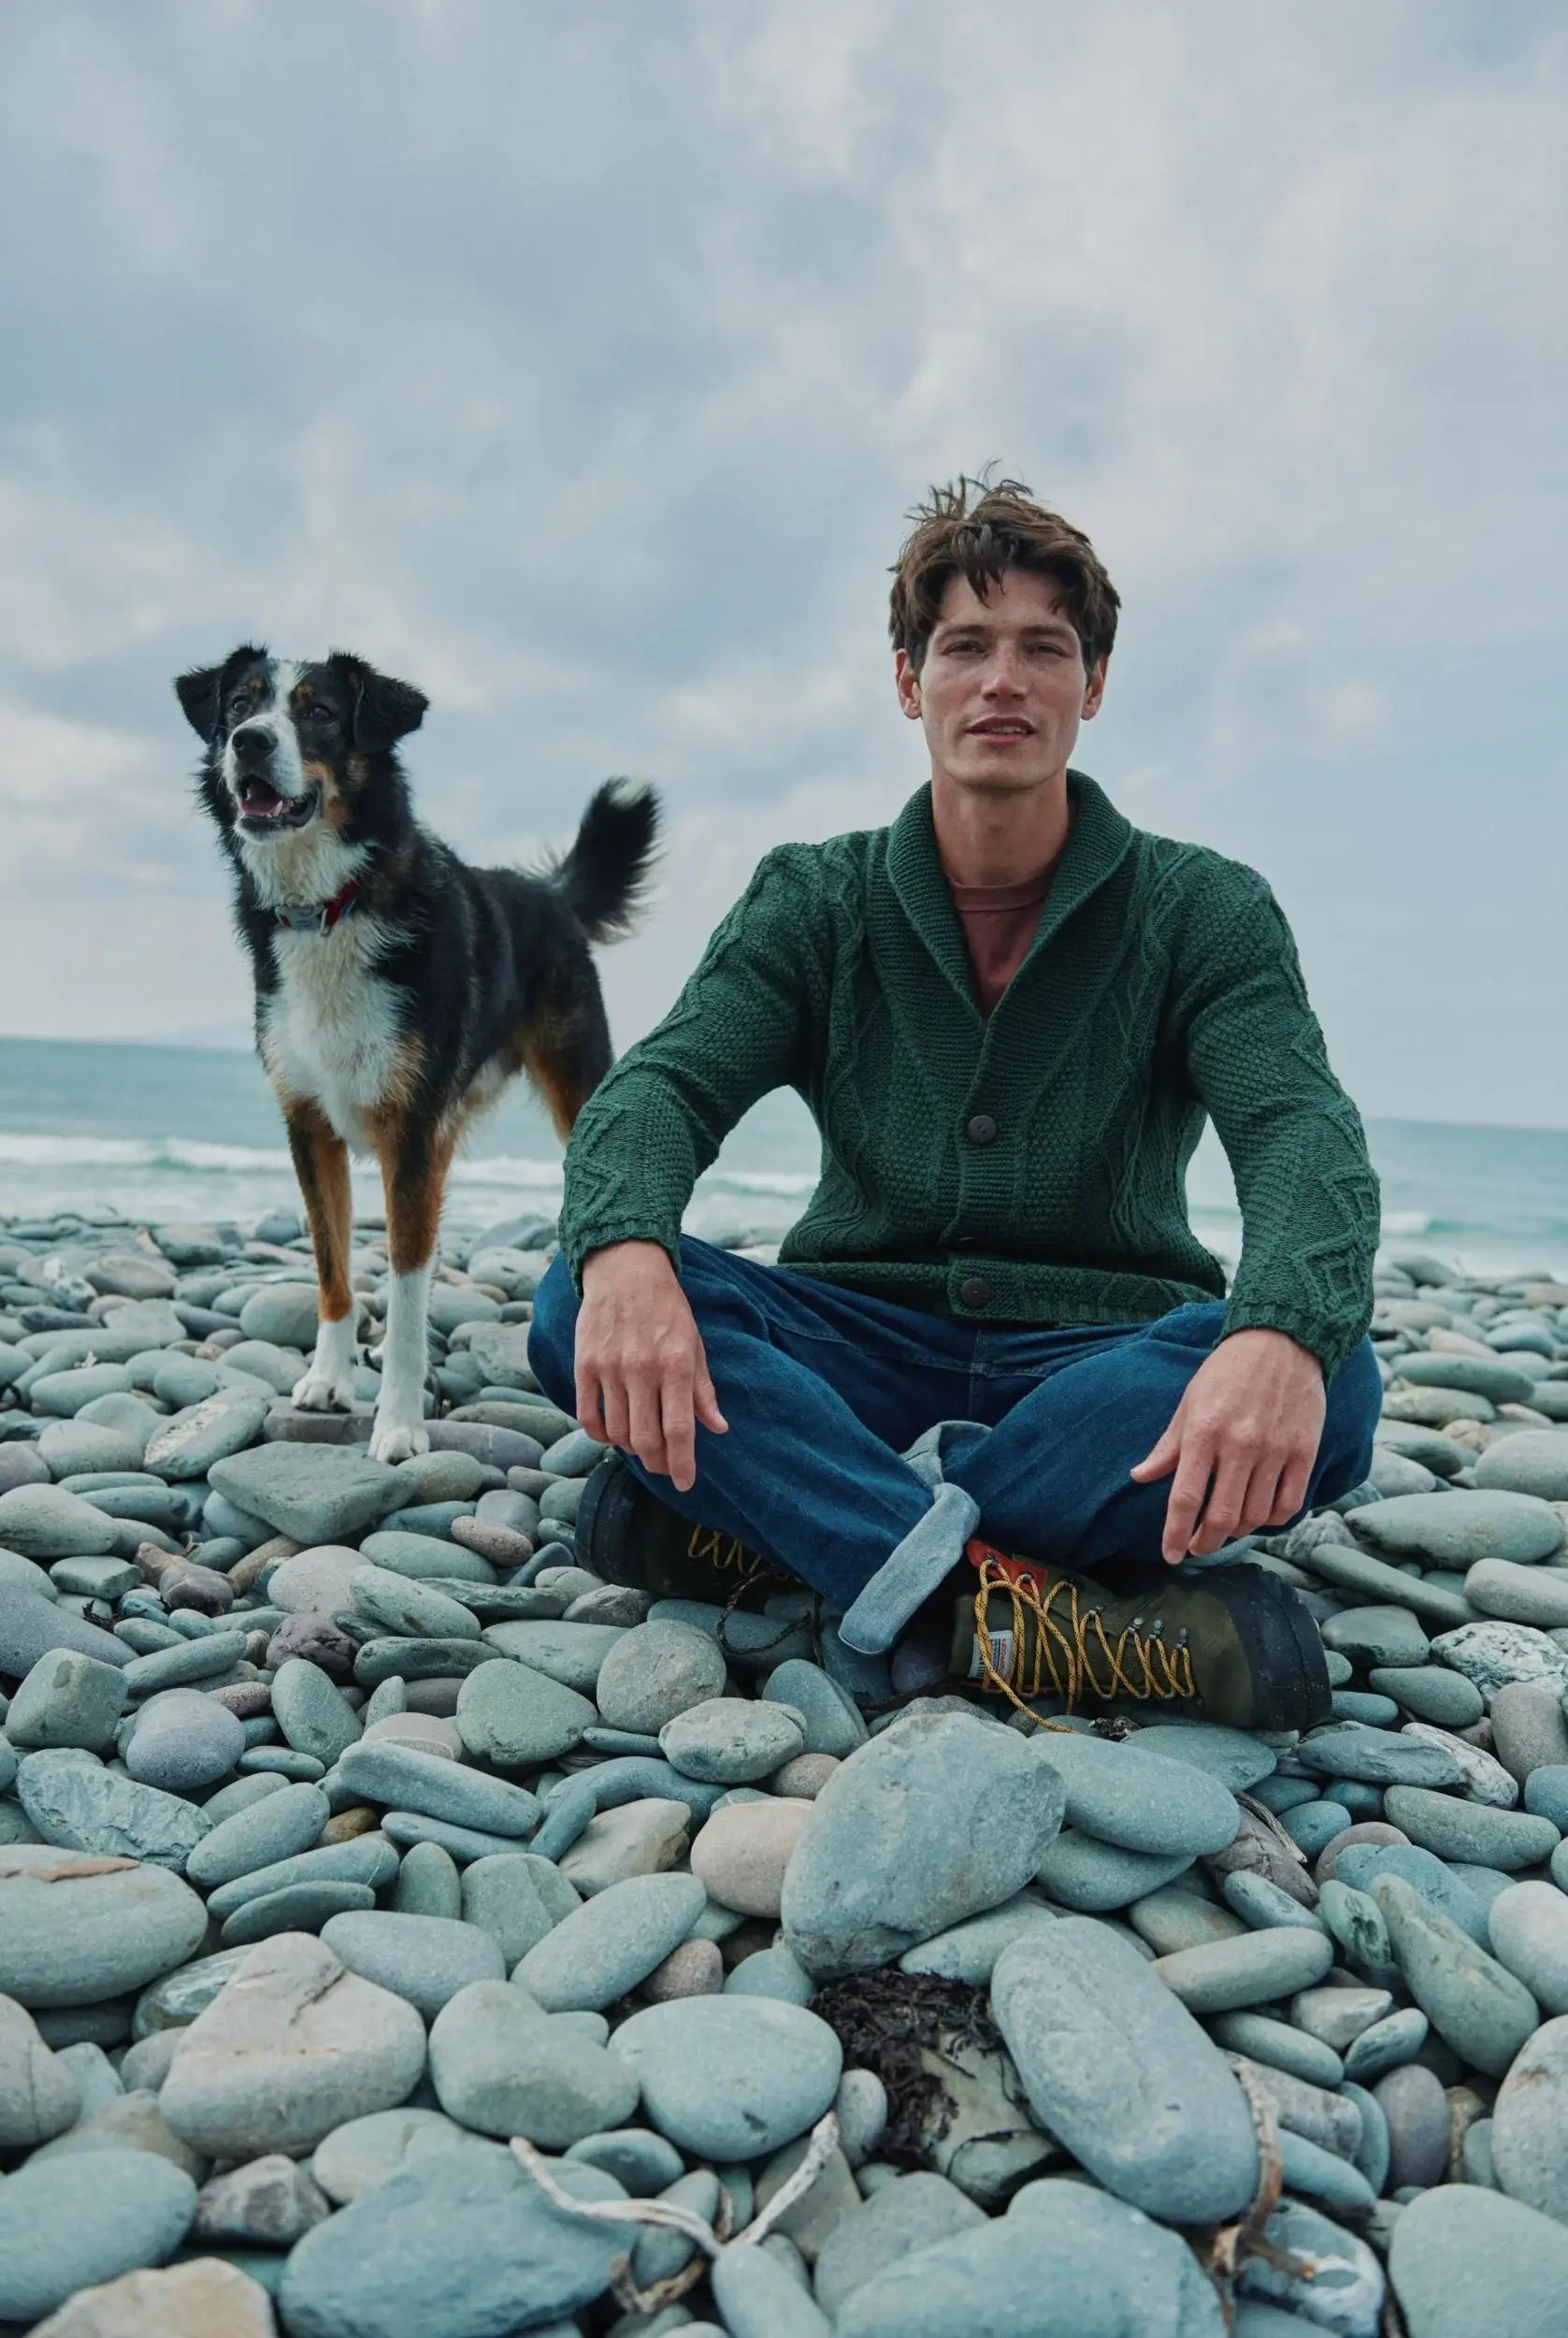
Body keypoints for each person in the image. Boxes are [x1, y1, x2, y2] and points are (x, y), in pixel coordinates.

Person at [530, 475, 1382, 1731]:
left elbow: (1301, 1131)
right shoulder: (812, 899)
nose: (1001, 681)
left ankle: (803, 1530)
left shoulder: (1204, 909)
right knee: (576, 1296)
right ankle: (1008, 1604)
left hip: (1095, 1359)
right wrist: (624, 1247)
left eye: (1043, 649)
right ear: (905, 680)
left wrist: (1276, 1333)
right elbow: (660, 1089)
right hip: (858, 1337)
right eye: (965, 646)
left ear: (1090, 685)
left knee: (1333, 1378)